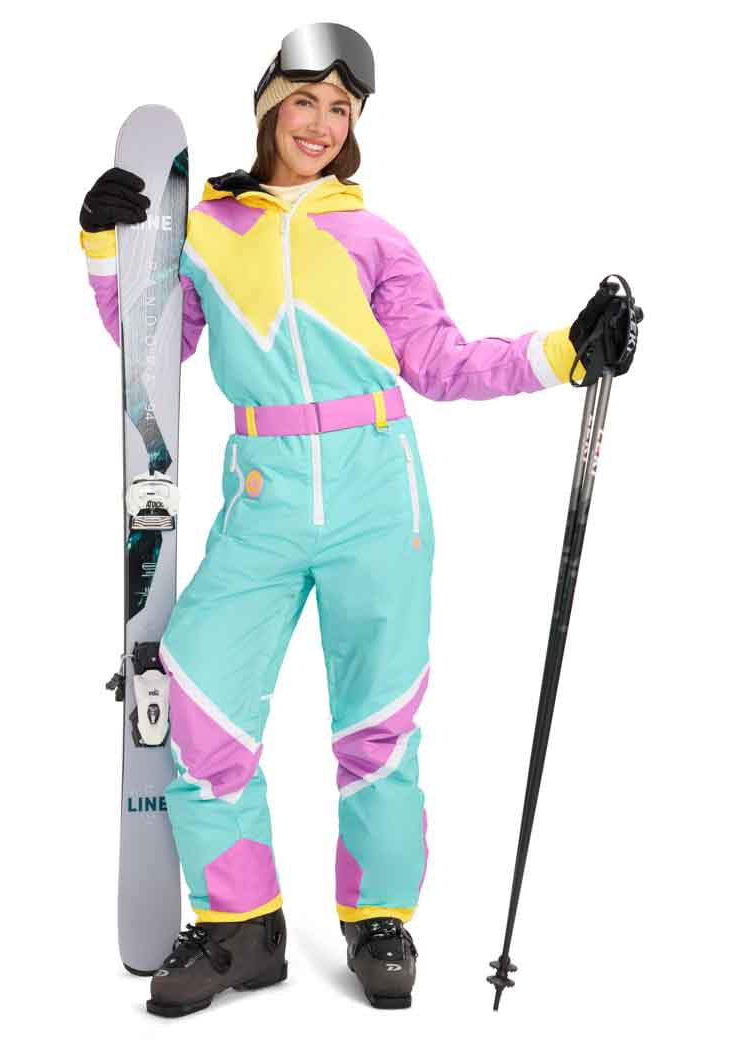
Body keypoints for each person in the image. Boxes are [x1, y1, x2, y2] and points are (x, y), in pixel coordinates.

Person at [79, 22, 631, 1016]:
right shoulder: (210, 227)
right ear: (268, 108)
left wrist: (565, 352)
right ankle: (242, 926)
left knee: (379, 721)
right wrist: (109, 248)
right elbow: (151, 345)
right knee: (196, 692)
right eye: (306, 101)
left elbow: (442, 363)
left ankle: (380, 920)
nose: (322, 124)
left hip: (380, 490)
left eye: (342, 108)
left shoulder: (376, 238)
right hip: (264, 495)